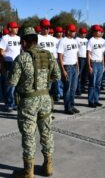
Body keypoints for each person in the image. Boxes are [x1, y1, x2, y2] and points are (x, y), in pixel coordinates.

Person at [8, 27, 61, 178]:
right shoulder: (48, 54)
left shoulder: (22, 58)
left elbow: (12, 82)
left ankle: (28, 172)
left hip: (28, 102)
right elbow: (57, 76)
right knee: (46, 133)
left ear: (24, 42)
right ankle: (48, 166)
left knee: (28, 135)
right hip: (45, 99)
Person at [57, 24, 80, 114]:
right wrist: (63, 70)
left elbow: (76, 54)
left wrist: (77, 66)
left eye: (75, 31)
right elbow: (60, 56)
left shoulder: (74, 41)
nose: (74, 32)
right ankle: (67, 108)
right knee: (67, 88)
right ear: (68, 31)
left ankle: (72, 105)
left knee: (73, 88)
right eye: (73, 31)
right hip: (67, 67)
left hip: (74, 66)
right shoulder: (63, 41)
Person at [0, 21, 21, 112]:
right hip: (8, 64)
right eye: (15, 27)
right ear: (10, 29)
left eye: (17, 27)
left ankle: (15, 103)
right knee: (9, 85)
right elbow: (1, 52)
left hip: (18, 63)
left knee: (17, 85)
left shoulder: (19, 38)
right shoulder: (5, 38)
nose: (17, 29)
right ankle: (9, 104)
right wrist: (2, 66)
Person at [87, 25, 105, 107]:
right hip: (93, 63)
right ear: (93, 32)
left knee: (98, 83)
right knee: (92, 83)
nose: (99, 32)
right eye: (97, 31)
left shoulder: (102, 41)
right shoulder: (91, 40)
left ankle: (96, 99)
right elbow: (88, 53)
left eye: (99, 31)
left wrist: (104, 64)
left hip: (100, 63)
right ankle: (91, 101)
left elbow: (102, 53)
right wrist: (89, 66)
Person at [76, 27, 88, 95]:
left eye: (85, 33)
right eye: (82, 33)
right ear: (80, 33)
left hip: (86, 58)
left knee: (84, 75)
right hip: (80, 58)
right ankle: (78, 89)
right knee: (79, 74)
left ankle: (83, 87)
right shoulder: (77, 39)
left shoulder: (86, 40)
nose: (84, 34)